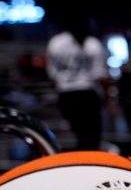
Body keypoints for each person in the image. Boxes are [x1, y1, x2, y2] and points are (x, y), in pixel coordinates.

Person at [45, 12, 109, 150]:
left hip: (66, 94)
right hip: (87, 94)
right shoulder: (93, 43)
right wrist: (109, 98)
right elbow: (100, 74)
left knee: (79, 133)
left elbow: (52, 73)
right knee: (91, 137)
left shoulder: (56, 42)